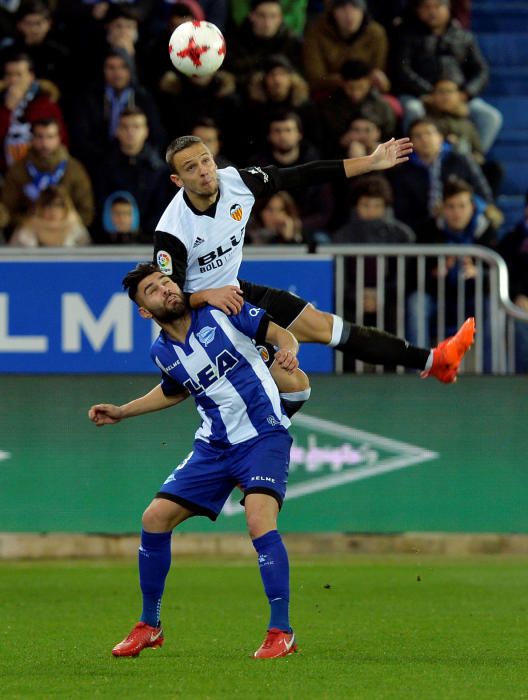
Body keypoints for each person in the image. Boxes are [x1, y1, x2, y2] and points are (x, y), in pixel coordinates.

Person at [89, 262, 306, 659]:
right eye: (153, 290)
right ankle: (149, 625)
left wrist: (288, 353)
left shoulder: (222, 310)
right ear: (144, 310)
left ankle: (282, 631)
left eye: (167, 281)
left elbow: (282, 335)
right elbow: (174, 391)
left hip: (263, 435)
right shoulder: (161, 351)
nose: (166, 290)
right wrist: (123, 411)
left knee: (259, 519)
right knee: (154, 518)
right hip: (214, 446)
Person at [153, 134, 476, 385]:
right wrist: (209, 295)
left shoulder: (237, 182)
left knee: (325, 327)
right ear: (177, 180)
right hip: (203, 319)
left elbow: (303, 174)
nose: (204, 172)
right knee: (284, 386)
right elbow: (168, 304)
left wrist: (371, 162)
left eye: (205, 160)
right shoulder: (172, 231)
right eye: (190, 168)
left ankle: (436, 361)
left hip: (234, 293)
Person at [393, 0, 502, 153]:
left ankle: (470, 163)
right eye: (426, 7)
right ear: (418, 10)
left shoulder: (464, 36)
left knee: (490, 117)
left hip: (457, 96)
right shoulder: (407, 36)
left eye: (437, 6)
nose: (432, 11)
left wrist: (465, 93)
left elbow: (481, 70)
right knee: (413, 110)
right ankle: (413, 159)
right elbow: (402, 69)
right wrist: (431, 93)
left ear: (448, 8)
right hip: (421, 95)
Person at [406, 177, 497, 350]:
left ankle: (492, 373)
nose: (457, 213)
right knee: (416, 303)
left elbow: (498, 275)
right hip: (436, 298)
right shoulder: (427, 230)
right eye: (451, 206)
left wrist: (478, 274)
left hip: (473, 299)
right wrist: (434, 274)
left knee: (493, 306)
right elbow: (412, 277)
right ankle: (418, 370)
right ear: (442, 209)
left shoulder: (486, 231)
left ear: (472, 207)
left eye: (462, 206)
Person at [389, 118, 493, 233]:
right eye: (418, 136)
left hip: (463, 223)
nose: (424, 139)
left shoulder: (461, 160)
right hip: (422, 230)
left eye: (429, 133)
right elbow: (402, 210)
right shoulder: (403, 170)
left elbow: (483, 194)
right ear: (411, 143)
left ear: (440, 137)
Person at [92, 106, 172, 240]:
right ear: (117, 131)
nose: (130, 132)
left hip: (149, 240)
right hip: (109, 240)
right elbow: (99, 204)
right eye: (125, 127)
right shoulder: (103, 168)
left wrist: (142, 230)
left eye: (136, 127)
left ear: (146, 131)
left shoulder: (160, 170)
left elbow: (164, 209)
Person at [2, 116, 94, 230]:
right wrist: (29, 222)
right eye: (39, 136)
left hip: (66, 232)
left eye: (50, 137)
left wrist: (62, 222)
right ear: (31, 139)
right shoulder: (18, 170)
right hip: (29, 232)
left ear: (59, 138)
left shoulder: (74, 169)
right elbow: (6, 212)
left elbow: (87, 212)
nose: (44, 143)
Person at [302, 0, 390, 99]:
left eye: (355, 7)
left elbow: (380, 72)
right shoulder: (316, 33)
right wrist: (347, 81)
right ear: (333, 12)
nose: (349, 14)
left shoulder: (376, 34)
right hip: (329, 94)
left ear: (363, 11)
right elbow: (314, 78)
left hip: (366, 93)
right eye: (342, 8)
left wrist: (378, 81)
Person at [0, 51, 67, 174]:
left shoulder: (46, 105)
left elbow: (62, 143)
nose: (13, 80)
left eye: (19, 75)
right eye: (9, 75)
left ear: (31, 77)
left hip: (42, 173)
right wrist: (7, 110)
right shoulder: (2, 105)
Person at [8, 184, 91, 247]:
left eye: (58, 205)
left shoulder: (76, 229)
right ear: (39, 208)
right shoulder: (25, 231)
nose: (53, 211)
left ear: (67, 207)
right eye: (47, 206)